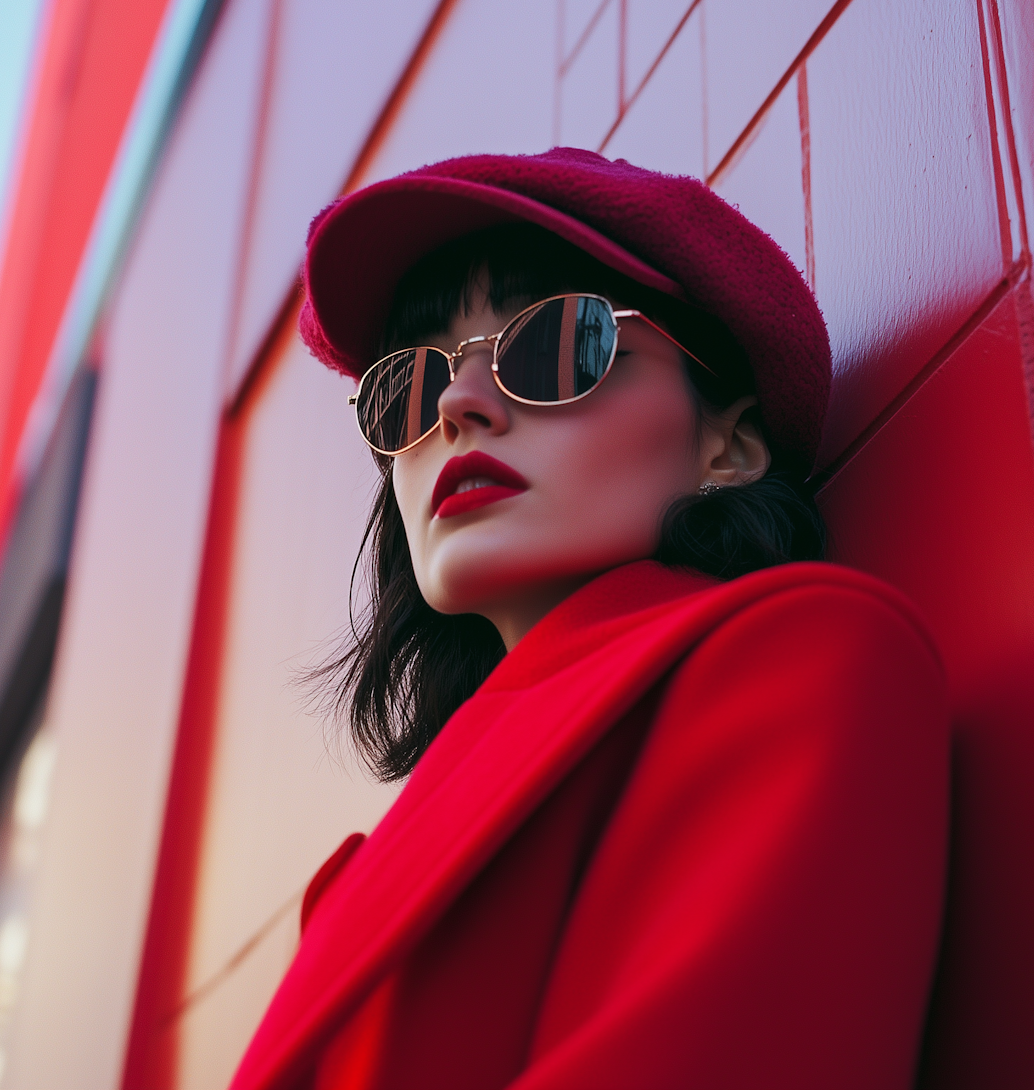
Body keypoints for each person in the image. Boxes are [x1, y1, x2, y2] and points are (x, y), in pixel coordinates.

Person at [231, 148, 948, 1090]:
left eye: (556, 345)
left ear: (727, 445)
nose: (455, 404)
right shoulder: (366, 869)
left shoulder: (809, 658)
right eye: (404, 387)